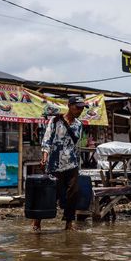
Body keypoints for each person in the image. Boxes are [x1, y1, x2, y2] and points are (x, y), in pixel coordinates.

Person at [32, 96, 88, 231]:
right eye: (77, 107)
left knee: (73, 193)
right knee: (50, 193)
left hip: (72, 164)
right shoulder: (55, 121)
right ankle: (37, 222)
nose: (79, 110)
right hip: (54, 164)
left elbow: (76, 146)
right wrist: (44, 157)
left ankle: (69, 223)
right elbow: (47, 140)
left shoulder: (79, 125)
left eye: (81, 108)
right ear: (69, 105)